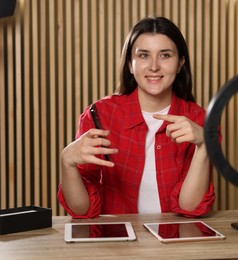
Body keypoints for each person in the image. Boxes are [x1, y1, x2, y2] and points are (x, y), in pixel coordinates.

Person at [57, 16, 216, 219]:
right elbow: (82, 210)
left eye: (165, 55)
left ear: (180, 63)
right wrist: (66, 162)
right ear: (130, 65)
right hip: (117, 245)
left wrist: (204, 145)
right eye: (143, 56)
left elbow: (190, 207)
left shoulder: (199, 119)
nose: (154, 66)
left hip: (175, 244)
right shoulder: (100, 115)